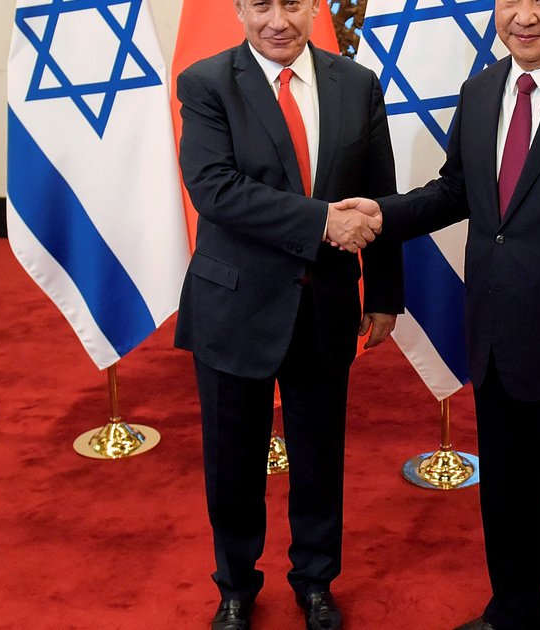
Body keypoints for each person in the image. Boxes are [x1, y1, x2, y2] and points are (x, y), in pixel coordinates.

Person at [335, 0, 540, 627]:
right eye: (510, 1)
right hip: (495, 334)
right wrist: (384, 214)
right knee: (508, 498)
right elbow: (456, 190)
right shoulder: (481, 89)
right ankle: (515, 612)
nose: (524, 16)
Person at [174, 1, 402, 629]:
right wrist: (322, 221)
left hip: (324, 305)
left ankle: (316, 582)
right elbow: (214, 188)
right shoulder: (206, 83)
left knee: (320, 458)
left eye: (294, 3)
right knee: (232, 462)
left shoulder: (357, 83)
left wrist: (384, 292)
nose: (278, 19)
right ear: (239, 9)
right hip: (233, 306)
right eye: (261, 4)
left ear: (314, 6)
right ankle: (235, 588)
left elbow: (379, 193)